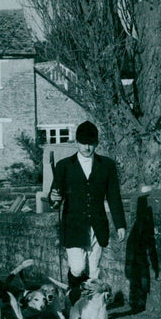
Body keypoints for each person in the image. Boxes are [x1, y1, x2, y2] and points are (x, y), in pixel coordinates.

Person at [49, 120, 127, 303]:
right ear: (76, 142)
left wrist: (120, 224)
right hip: (73, 226)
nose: (87, 147)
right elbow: (54, 197)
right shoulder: (64, 166)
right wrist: (54, 199)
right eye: (83, 143)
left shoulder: (106, 165)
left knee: (94, 271)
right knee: (77, 268)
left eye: (91, 143)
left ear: (96, 144)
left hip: (97, 225)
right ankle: (74, 294)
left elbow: (114, 196)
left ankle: (90, 309)